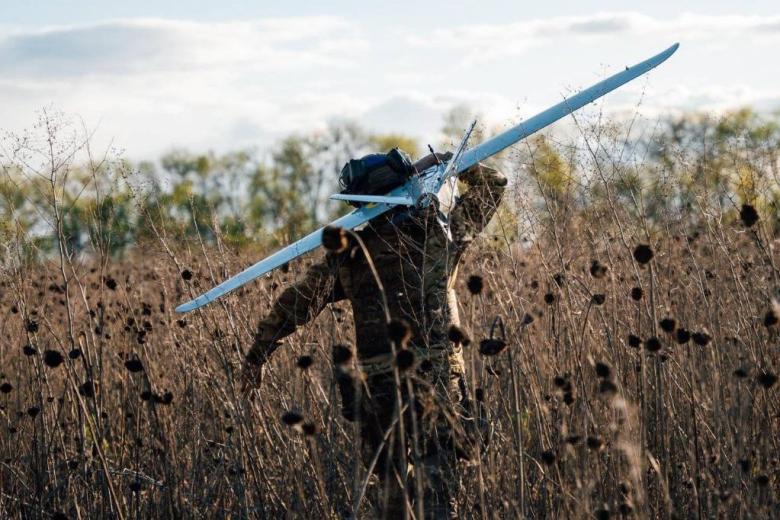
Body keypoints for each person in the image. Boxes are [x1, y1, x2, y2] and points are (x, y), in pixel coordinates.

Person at [241, 151, 507, 519]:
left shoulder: (351, 256)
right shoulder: (438, 235)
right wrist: (452, 162)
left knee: (391, 498)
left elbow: (295, 304)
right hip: (436, 379)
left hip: (380, 388)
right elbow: (494, 185)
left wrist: (257, 355)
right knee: (438, 495)